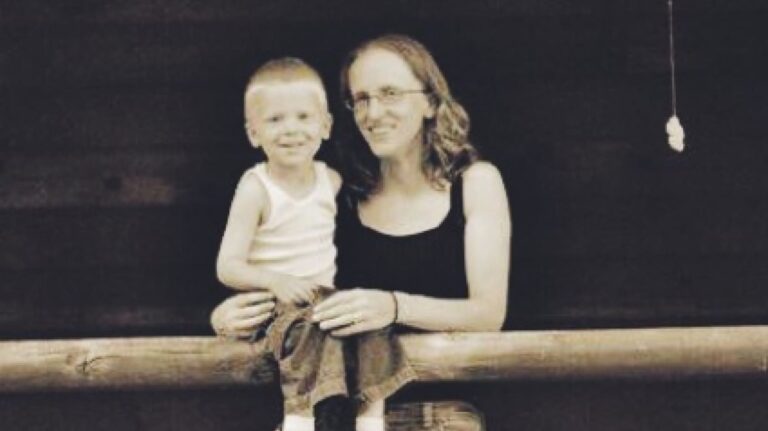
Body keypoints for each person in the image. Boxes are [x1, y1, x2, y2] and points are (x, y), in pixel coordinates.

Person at [212, 34, 511, 430]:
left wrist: (393, 306)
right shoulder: (340, 192)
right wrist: (228, 318)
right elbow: (299, 285)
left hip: (438, 415)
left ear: (430, 102)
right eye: (362, 99)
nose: (373, 112)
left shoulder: (474, 183)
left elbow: (488, 313)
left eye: (390, 93)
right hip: (337, 418)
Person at [216, 57, 411, 431]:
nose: (291, 130)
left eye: (304, 118)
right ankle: (299, 416)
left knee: (369, 323)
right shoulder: (255, 188)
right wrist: (275, 281)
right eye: (275, 120)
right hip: (275, 306)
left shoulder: (331, 181)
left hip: (321, 297)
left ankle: (371, 416)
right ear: (253, 133)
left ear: (325, 127)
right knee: (309, 329)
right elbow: (227, 266)